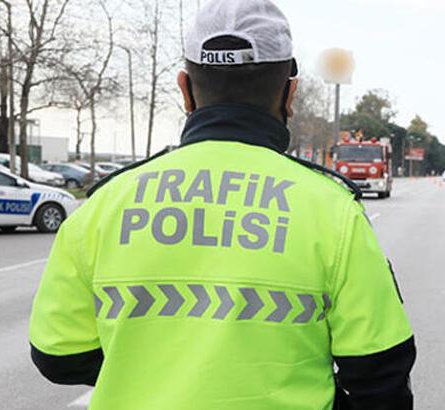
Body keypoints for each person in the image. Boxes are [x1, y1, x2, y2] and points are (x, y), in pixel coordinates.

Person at [28, 1, 416, 409]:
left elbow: (59, 355)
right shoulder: (333, 210)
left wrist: (154, 370)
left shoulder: (105, 204)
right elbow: (382, 374)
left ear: (185, 88)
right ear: (290, 92)